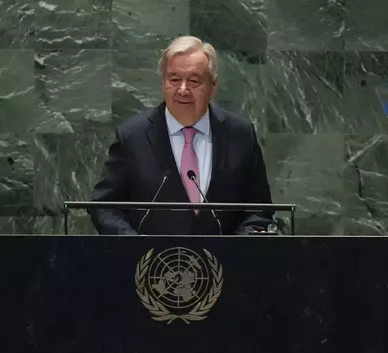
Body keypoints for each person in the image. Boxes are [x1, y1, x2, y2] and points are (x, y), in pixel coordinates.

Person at [88, 35, 273, 235]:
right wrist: (135, 246)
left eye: (194, 81)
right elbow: (104, 206)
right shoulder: (133, 136)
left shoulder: (241, 135)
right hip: (150, 263)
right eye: (174, 80)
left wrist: (237, 248)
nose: (183, 90)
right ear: (163, 83)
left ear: (213, 86)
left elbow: (259, 209)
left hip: (226, 263)